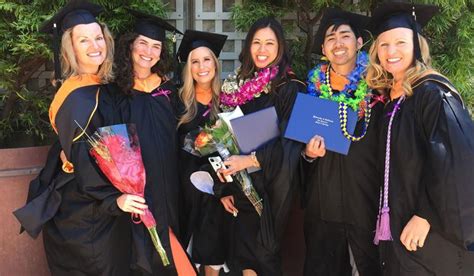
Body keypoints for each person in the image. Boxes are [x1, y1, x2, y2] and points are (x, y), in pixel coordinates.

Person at [14, 0, 141, 274]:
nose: (95, 46)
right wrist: (113, 200)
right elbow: (82, 159)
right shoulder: (78, 97)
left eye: (98, 37)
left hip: (102, 207)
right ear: (71, 48)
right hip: (86, 213)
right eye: (84, 40)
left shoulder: (99, 85)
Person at [366, 2, 474, 275]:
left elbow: (455, 159)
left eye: (400, 42)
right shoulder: (387, 98)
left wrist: (426, 215)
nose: (391, 52)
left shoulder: (431, 93)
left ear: (417, 45)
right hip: (397, 227)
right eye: (383, 44)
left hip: (427, 230)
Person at [216, 17, 306, 275]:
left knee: (263, 259)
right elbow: (226, 138)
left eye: (269, 43)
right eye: (256, 42)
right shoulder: (238, 87)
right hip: (242, 190)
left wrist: (251, 160)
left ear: (280, 47)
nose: (262, 49)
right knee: (242, 259)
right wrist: (223, 187)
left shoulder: (291, 88)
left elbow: (291, 144)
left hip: (271, 193)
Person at [113, 9, 196, 276]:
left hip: (171, 186)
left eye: (156, 46)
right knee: (143, 255)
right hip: (138, 189)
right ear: (130, 46)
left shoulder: (169, 91)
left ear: (162, 52)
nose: (148, 51)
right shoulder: (115, 92)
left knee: (174, 247)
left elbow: (185, 135)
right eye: (143, 43)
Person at [301, 8, 382, 276]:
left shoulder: (378, 86)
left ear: (359, 43)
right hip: (323, 201)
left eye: (345, 36)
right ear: (324, 48)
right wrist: (308, 154)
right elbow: (299, 149)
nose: (338, 43)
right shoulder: (312, 87)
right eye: (331, 38)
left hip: (365, 198)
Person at [175, 29, 229, 276]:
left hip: (218, 188)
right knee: (186, 252)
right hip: (185, 189)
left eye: (206, 59)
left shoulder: (228, 100)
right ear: (188, 68)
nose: (201, 66)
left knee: (213, 250)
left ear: (215, 64)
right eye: (194, 61)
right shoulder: (178, 102)